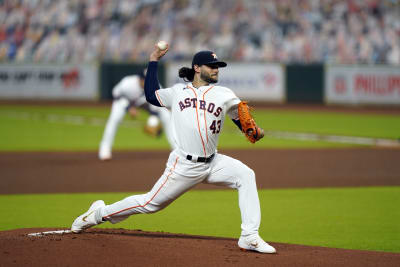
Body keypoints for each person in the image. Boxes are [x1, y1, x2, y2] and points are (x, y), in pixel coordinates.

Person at [71, 43, 276, 254]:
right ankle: (97, 214)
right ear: (197, 68)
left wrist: (254, 131)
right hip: (184, 165)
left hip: (213, 162)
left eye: (218, 66)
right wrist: (153, 60)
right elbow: (151, 96)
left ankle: (249, 236)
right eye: (211, 65)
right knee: (149, 204)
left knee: (246, 175)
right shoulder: (178, 92)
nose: (216, 69)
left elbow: (243, 122)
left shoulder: (224, 93)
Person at [98, 70, 176, 160]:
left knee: (166, 115)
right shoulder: (128, 83)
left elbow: (157, 105)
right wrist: (129, 108)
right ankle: (105, 149)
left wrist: (153, 117)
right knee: (114, 119)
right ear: (139, 79)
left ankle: (176, 148)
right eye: (144, 80)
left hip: (144, 102)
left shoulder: (156, 86)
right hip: (124, 101)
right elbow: (116, 93)